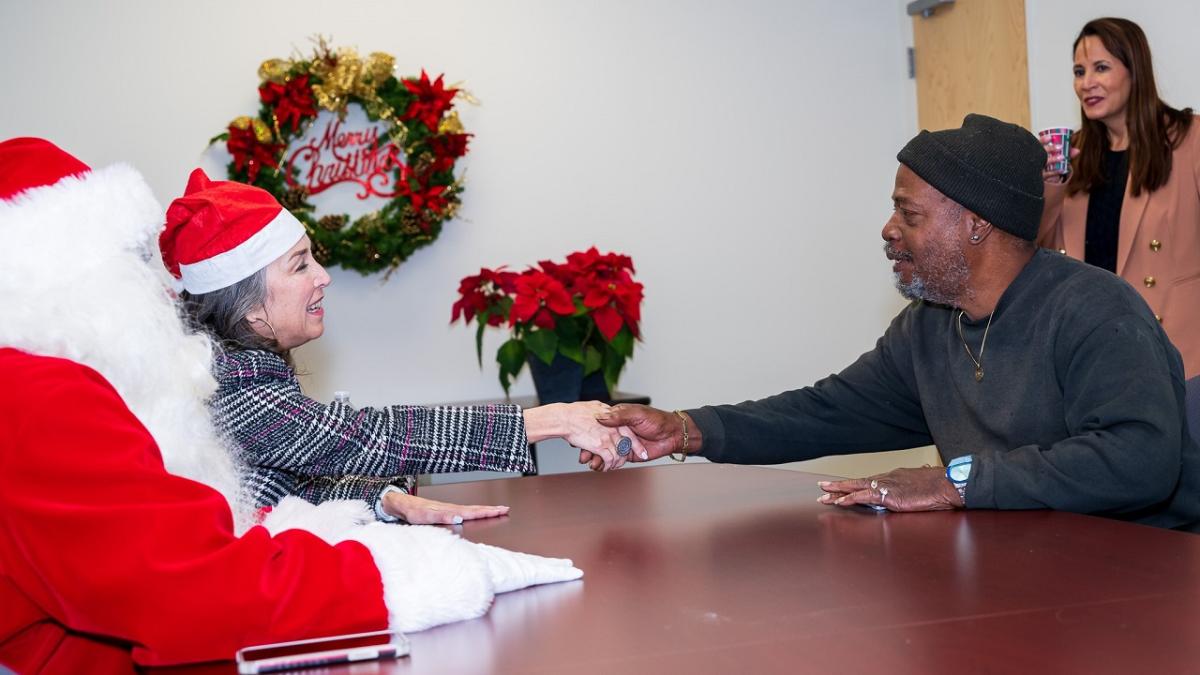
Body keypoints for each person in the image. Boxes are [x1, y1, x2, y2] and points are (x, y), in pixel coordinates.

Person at [0, 137, 582, 671]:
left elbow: (273, 492)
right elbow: (189, 586)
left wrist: (379, 499)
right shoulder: (50, 394)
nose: (153, 291)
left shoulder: (97, 380)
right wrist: (406, 576)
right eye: (300, 264)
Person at [589, 114, 1200, 533]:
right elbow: (828, 411)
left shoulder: (1096, 310)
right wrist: (689, 430)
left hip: (1136, 583)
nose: (888, 230)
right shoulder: (930, 326)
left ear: (977, 225)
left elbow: (1140, 456)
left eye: (908, 214)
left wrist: (954, 481)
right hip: (1022, 571)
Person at [159, 169, 639, 525]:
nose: (323, 276)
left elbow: (284, 488)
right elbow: (364, 439)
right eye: (300, 264)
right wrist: (553, 419)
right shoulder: (237, 390)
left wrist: (384, 499)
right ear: (249, 306)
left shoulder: (228, 371)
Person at [1038, 17, 1200, 377]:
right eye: (1079, 71)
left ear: (1134, 70)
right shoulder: (1073, 155)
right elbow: (1037, 255)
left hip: (1179, 355)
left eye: (1101, 68)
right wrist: (1051, 184)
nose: (1086, 83)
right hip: (1093, 356)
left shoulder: (1189, 139)